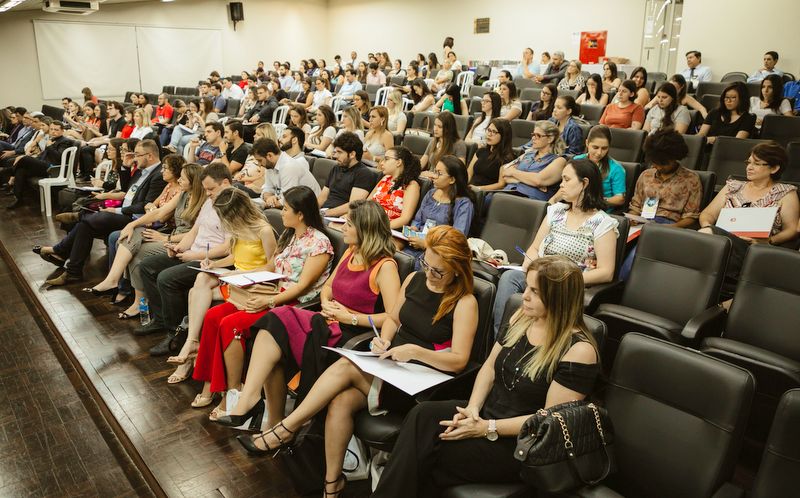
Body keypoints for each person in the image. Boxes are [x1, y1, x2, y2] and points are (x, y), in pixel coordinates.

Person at [236, 226, 478, 498]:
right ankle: (331, 485)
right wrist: (383, 340)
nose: (430, 275)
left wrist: (415, 352)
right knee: (341, 402)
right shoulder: (414, 279)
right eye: (427, 264)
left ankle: (286, 428)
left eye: (438, 271)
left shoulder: (464, 302)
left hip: (421, 382)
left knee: (345, 365)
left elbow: (459, 361)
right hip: (394, 364)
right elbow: (394, 320)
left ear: (457, 269)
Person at [373, 255, 599, 498]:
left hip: (520, 442)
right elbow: (490, 367)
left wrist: (485, 428)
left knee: (432, 451)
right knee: (422, 416)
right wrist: (472, 408)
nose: (525, 296)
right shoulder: (522, 318)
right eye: (527, 287)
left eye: (535, 291)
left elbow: (546, 422)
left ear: (559, 297)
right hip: (486, 415)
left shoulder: (579, 350)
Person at [211, 199, 398, 426]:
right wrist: (327, 302)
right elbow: (327, 287)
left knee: (276, 322)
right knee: (272, 332)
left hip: (348, 333)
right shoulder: (352, 251)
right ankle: (256, 407)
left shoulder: (385, 266)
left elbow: (391, 317)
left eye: (349, 224)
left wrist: (349, 316)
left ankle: (254, 407)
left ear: (366, 228)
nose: (343, 228)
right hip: (327, 319)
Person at [493, 158, 618, 332]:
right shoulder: (556, 211)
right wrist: (530, 266)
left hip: (566, 282)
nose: (561, 185)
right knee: (509, 278)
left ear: (584, 183)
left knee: (538, 296)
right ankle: (502, 337)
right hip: (539, 275)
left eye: (566, 180)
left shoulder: (602, 223)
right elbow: (535, 248)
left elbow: (606, 272)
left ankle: (522, 338)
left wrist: (563, 279)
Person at [167, 188, 278, 385]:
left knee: (196, 293)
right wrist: (214, 264)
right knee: (201, 279)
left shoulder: (264, 230)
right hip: (235, 276)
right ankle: (192, 341)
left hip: (252, 281)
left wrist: (242, 273)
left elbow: (272, 265)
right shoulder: (238, 228)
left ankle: (190, 347)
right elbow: (235, 257)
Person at [84, 161, 204, 321]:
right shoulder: (183, 194)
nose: (179, 180)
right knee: (132, 234)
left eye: (182, 178)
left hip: (181, 242)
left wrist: (166, 238)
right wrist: (132, 224)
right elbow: (159, 212)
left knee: (137, 252)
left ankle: (133, 296)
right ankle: (114, 281)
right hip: (171, 236)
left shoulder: (203, 201)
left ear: (193, 181)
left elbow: (196, 234)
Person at [35, 140, 167, 285]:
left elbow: (144, 206)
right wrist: (124, 167)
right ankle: (73, 272)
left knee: (89, 220)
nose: (134, 158)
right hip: (124, 212)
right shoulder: (142, 171)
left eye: (137, 154)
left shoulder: (158, 175)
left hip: (136, 218)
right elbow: (126, 190)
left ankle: (64, 246)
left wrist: (117, 210)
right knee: (85, 226)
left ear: (149, 156)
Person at [135, 163, 231, 347]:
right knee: (147, 266)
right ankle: (161, 320)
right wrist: (179, 247)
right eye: (206, 189)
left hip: (212, 260)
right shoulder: (210, 202)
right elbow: (194, 231)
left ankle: (176, 334)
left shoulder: (232, 206)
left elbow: (227, 248)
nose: (208, 193)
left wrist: (194, 255)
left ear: (225, 183)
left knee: (166, 278)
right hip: (194, 251)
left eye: (211, 189)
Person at [699, 142, 799, 298]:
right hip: (720, 241)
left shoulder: (785, 193)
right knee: (706, 237)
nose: (749, 167)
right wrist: (708, 228)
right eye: (749, 162)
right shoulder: (733, 186)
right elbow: (707, 215)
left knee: (703, 242)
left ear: (774, 168)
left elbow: (791, 230)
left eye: (757, 164)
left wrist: (769, 241)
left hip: (753, 248)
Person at [620, 129, 703, 279]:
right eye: (655, 162)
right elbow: (635, 205)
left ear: (675, 157)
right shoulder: (646, 175)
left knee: (635, 257)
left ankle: (621, 285)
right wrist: (632, 218)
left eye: (663, 163)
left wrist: (670, 228)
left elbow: (691, 216)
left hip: (669, 226)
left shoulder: (691, 179)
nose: (658, 166)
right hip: (641, 223)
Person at [403, 156, 476, 263]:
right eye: (434, 172)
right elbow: (418, 219)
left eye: (439, 173)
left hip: (439, 254)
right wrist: (414, 228)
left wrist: (426, 245)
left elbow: (456, 239)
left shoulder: (463, 204)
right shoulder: (430, 193)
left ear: (452, 179)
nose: (433, 176)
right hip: (416, 245)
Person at [552, 125, 626, 210]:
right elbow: (566, 185)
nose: (599, 152)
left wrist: (597, 200)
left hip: (599, 212)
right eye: (595, 147)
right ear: (587, 143)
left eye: (604, 148)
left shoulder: (616, 169)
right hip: (574, 208)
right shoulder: (576, 160)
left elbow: (620, 199)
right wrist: (553, 200)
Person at [7, 120, 76, 209]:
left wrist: (50, 146)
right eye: (51, 129)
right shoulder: (51, 140)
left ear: (62, 131)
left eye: (56, 130)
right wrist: (36, 158)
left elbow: (59, 157)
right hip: (43, 165)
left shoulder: (65, 141)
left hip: (53, 168)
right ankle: (19, 199)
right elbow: (43, 155)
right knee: (21, 170)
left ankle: (10, 174)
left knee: (24, 158)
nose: (53, 131)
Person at [498, 120, 567, 201]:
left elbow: (538, 180)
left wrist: (513, 172)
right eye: (533, 135)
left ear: (550, 139)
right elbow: (504, 170)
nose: (533, 138)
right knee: (487, 199)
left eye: (538, 135)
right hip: (509, 191)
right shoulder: (527, 154)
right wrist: (530, 182)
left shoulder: (559, 160)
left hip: (531, 199)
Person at [318, 132, 377, 217]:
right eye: (335, 151)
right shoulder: (336, 168)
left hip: (339, 217)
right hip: (324, 212)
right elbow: (322, 197)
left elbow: (353, 206)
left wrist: (324, 213)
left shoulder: (364, 174)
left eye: (340, 152)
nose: (336, 156)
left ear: (352, 154)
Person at [259, 133, 320, 209]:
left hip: (308, 207)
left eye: (260, 160)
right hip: (292, 203)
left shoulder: (288, 166)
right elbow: (267, 188)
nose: (259, 164)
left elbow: (287, 200)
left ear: (269, 156)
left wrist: (267, 204)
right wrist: (269, 198)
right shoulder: (269, 165)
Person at [368, 146, 422, 230]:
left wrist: (378, 228)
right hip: (368, 222)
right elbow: (366, 203)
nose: (382, 163)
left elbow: (405, 219)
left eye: (386, 159)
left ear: (398, 162)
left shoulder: (411, 185)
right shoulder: (385, 178)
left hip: (387, 229)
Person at [468, 118, 515, 192]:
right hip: (470, 188)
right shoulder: (481, 151)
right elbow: (469, 174)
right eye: (489, 130)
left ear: (503, 135)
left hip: (486, 193)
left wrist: (479, 189)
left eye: (494, 132)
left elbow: (501, 184)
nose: (489, 134)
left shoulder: (507, 158)